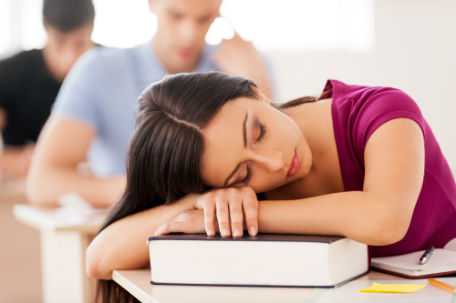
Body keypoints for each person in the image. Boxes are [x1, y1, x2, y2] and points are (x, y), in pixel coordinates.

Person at [86, 72, 455, 302]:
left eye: (258, 132)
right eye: (242, 174)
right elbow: (100, 258)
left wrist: (253, 215)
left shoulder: (381, 111)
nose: (274, 163)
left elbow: (384, 218)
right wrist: (202, 202)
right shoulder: (229, 194)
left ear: (256, 92)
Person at [26, 0, 274, 208]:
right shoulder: (98, 71)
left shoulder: (245, 67)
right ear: (152, 3)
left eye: (204, 19)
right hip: (129, 233)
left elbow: (276, 167)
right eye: (176, 15)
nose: (189, 34)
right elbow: (43, 182)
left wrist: (257, 87)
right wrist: (146, 192)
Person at [0, 0, 96, 181]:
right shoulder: (9, 73)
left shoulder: (112, 68)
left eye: (80, 44)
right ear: (45, 27)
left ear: (91, 30)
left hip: (92, 189)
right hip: (24, 190)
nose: (69, 57)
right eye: (60, 42)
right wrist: (12, 160)